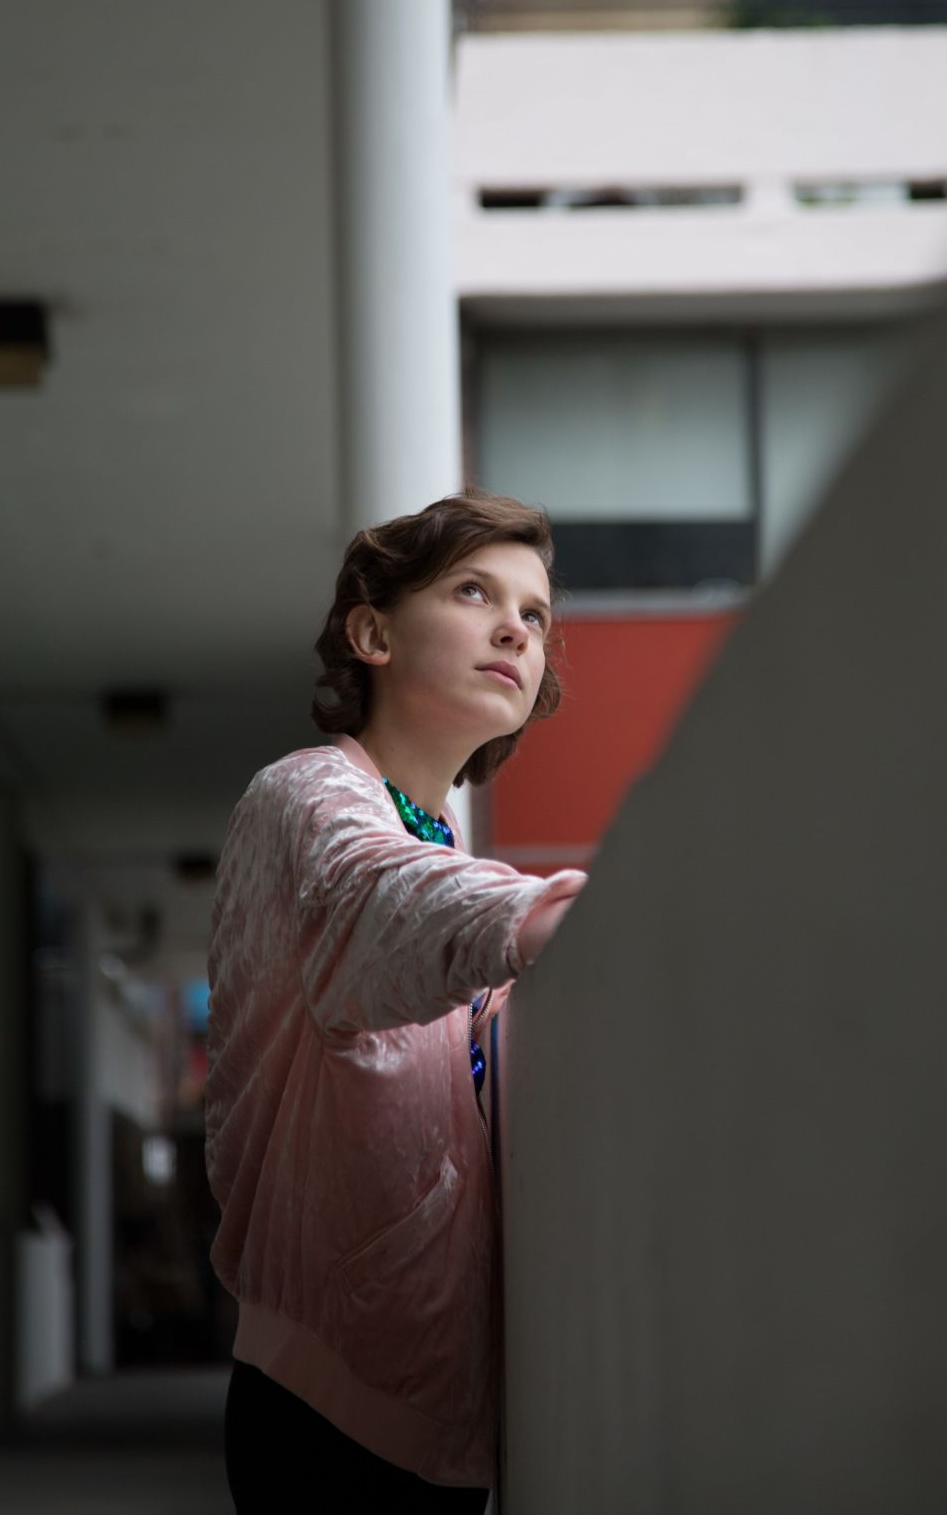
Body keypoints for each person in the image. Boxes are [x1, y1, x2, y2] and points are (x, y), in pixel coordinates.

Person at [205, 486, 590, 1510]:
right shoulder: (306, 798)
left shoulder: (438, 841)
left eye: (536, 615)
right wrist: (547, 919)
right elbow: (371, 900)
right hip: (324, 1404)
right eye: (473, 591)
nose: (515, 625)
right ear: (372, 632)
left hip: (432, 1415)